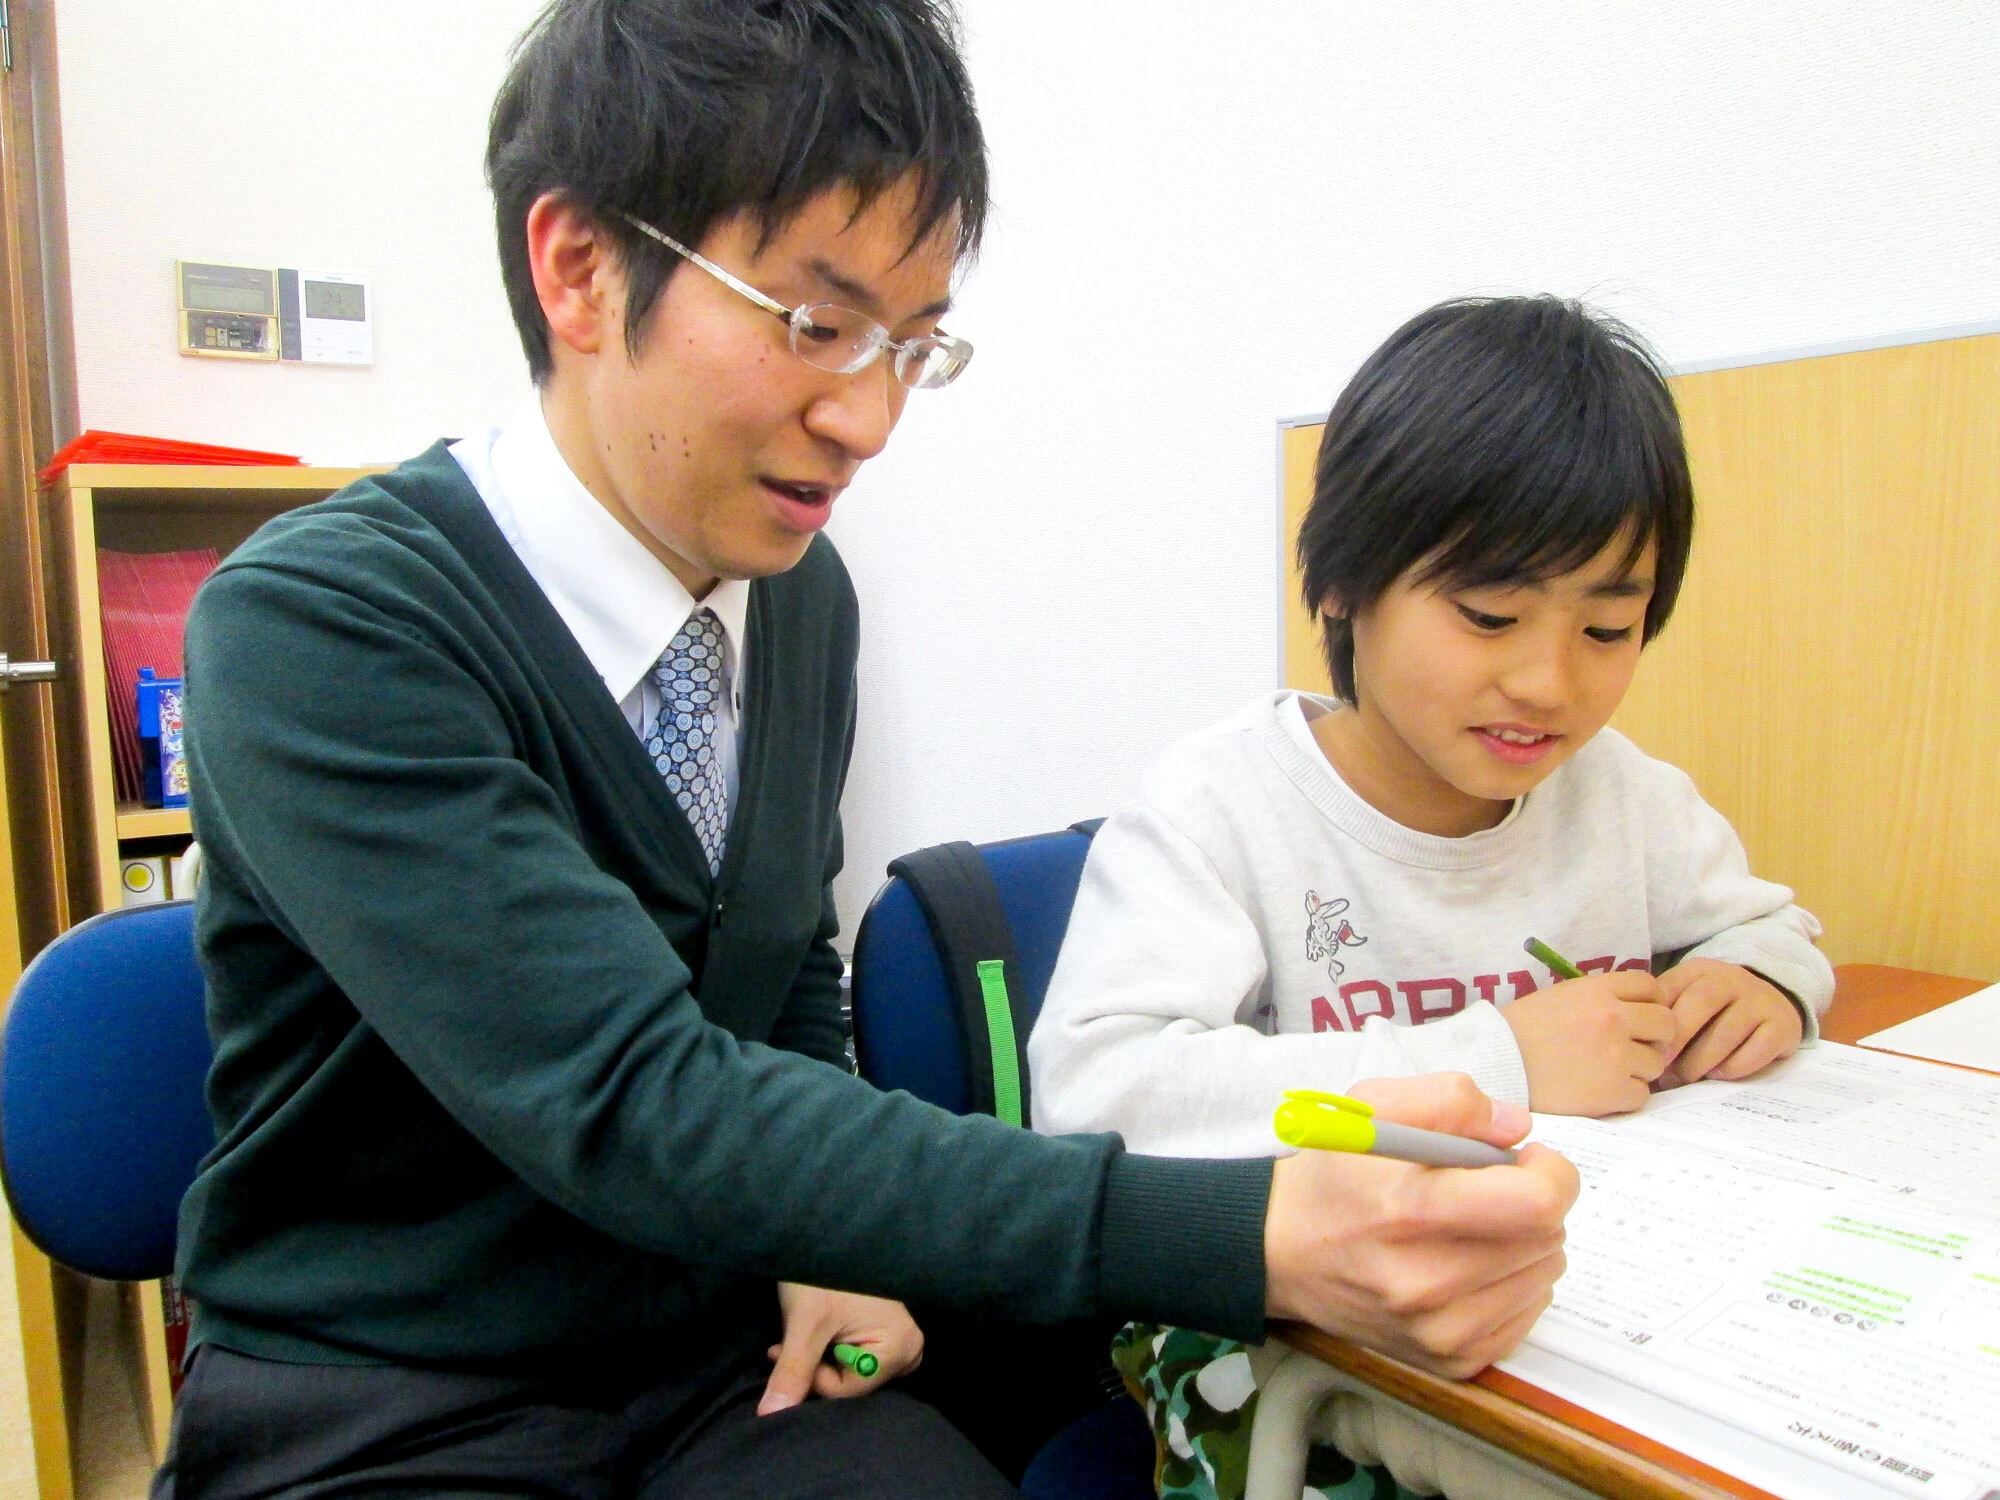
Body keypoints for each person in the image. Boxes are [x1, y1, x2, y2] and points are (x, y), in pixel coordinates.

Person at [157, 8, 1578, 1499]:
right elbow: (635, 1101)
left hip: (719, 1362)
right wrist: (1248, 1232)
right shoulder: (321, 625)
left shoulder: (795, 596)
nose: (872, 415)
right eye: (815, 324)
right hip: (391, 1396)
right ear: (579, 267)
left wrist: (829, 1250)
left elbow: (782, 971)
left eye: (912, 344)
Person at [1028, 295, 1835, 1500]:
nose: (1546, 681)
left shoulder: (1620, 797)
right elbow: (1097, 1095)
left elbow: (1768, 924)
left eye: (1607, 627)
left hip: (1558, 1314)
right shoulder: (1222, 807)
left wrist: (1762, 978)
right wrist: (1497, 1058)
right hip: (1275, 1337)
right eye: (1489, 615)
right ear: (1346, 586)